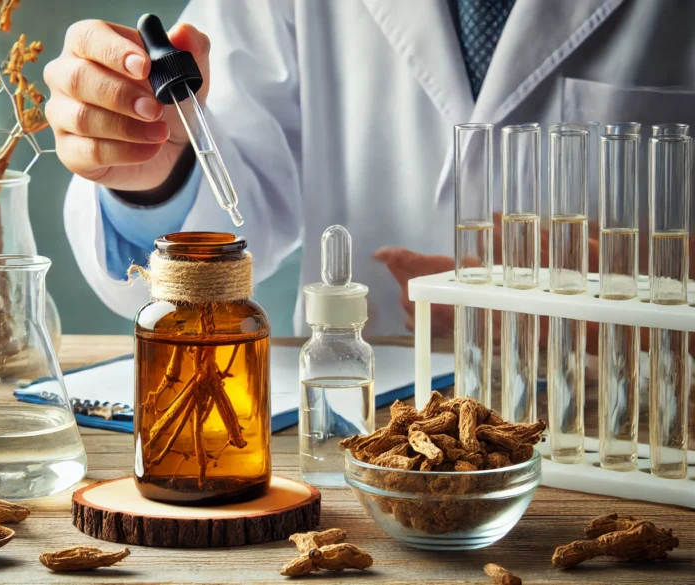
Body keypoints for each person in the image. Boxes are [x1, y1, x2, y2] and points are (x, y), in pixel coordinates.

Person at [47, 0, 695, 337]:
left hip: (635, 428)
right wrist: (158, 171)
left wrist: (602, 314)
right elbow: (229, 207)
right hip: (371, 436)